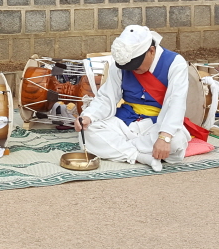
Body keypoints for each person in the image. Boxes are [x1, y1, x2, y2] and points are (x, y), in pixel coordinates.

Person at [75, 25, 190, 171]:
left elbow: (176, 102)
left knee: (176, 142)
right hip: (126, 121)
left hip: (157, 125)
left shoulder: (175, 63)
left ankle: (119, 148)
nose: (131, 70)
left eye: (135, 66)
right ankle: (141, 156)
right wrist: (88, 117)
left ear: (151, 51)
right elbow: (106, 97)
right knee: (87, 131)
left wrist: (164, 137)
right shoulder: (121, 65)